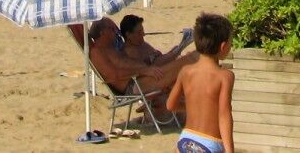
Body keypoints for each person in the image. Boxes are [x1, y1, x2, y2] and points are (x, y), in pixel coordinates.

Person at [87, 18, 196, 113]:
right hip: (134, 85)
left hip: (141, 78)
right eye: (112, 29)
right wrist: (143, 71)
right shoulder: (97, 52)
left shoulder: (112, 48)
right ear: (102, 33)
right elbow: (114, 75)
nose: (116, 32)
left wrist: (145, 68)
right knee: (185, 62)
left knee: (182, 67)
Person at [167, 13, 234, 153]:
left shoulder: (185, 71)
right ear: (223, 46)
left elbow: (170, 105)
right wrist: (229, 151)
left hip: (186, 139)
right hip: (210, 143)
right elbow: (224, 115)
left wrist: (195, 108)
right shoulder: (224, 76)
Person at [118, 14, 193, 67]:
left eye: (142, 31)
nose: (143, 34)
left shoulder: (139, 44)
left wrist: (174, 53)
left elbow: (158, 59)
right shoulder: (130, 53)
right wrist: (174, 54)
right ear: (128, 34)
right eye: (139, 32)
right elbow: (150, 69)